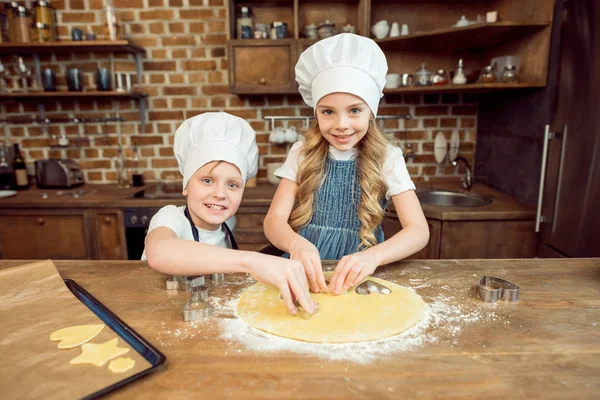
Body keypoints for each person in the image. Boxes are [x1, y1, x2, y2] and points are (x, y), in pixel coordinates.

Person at [263, 34, 429, 296]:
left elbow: (418, 231)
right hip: (305, 270)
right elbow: (273, 221)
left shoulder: (388, 157)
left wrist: (373, 257)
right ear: (316, 112)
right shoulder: (301, 153)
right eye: (328, 111)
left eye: (354, 110)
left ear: (371, 111)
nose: (341, 124)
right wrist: (295, 244)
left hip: (360, 275)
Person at [143, 112, 317, 316]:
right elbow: (159, 253)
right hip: (156, 314)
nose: (220, 194)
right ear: (185, 185)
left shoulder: (228, 224)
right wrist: (251, 262)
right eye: (207, 180)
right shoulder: (170, 218)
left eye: (232, 185)